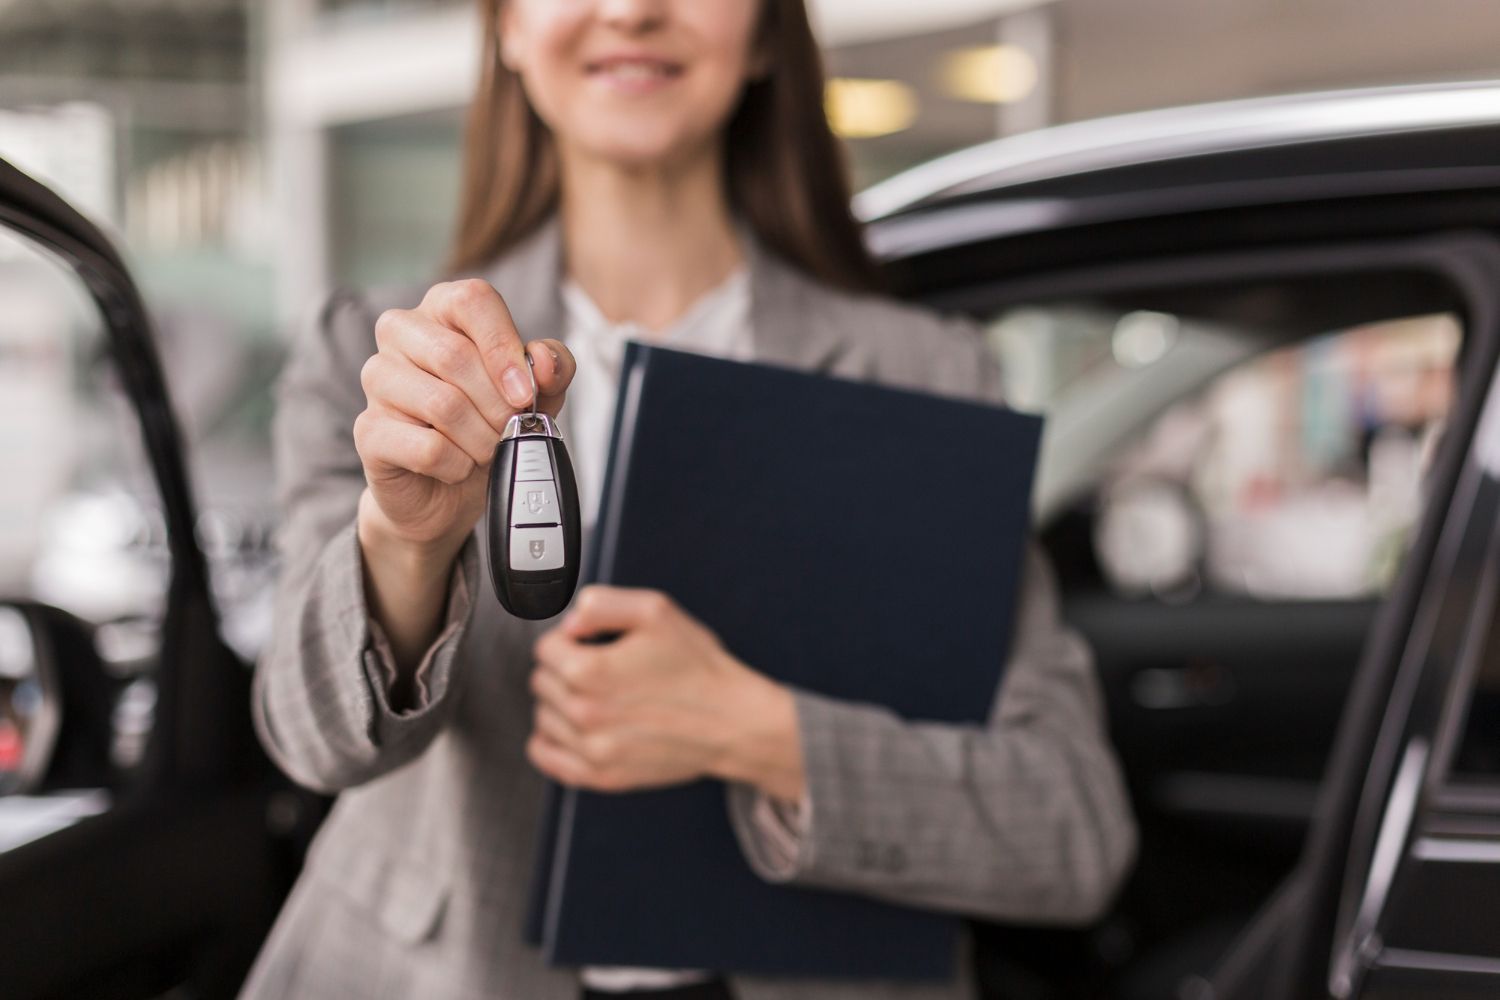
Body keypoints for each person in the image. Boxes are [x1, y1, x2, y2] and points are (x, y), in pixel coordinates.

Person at [242, 0, 1137, 997]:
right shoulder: (388, 358)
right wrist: (405, 542)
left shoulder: (926, 374)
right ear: (506, 26)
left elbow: (1072, 831)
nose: (631, 9)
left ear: (764, 32)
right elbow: (310, 733)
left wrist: (756, 731)